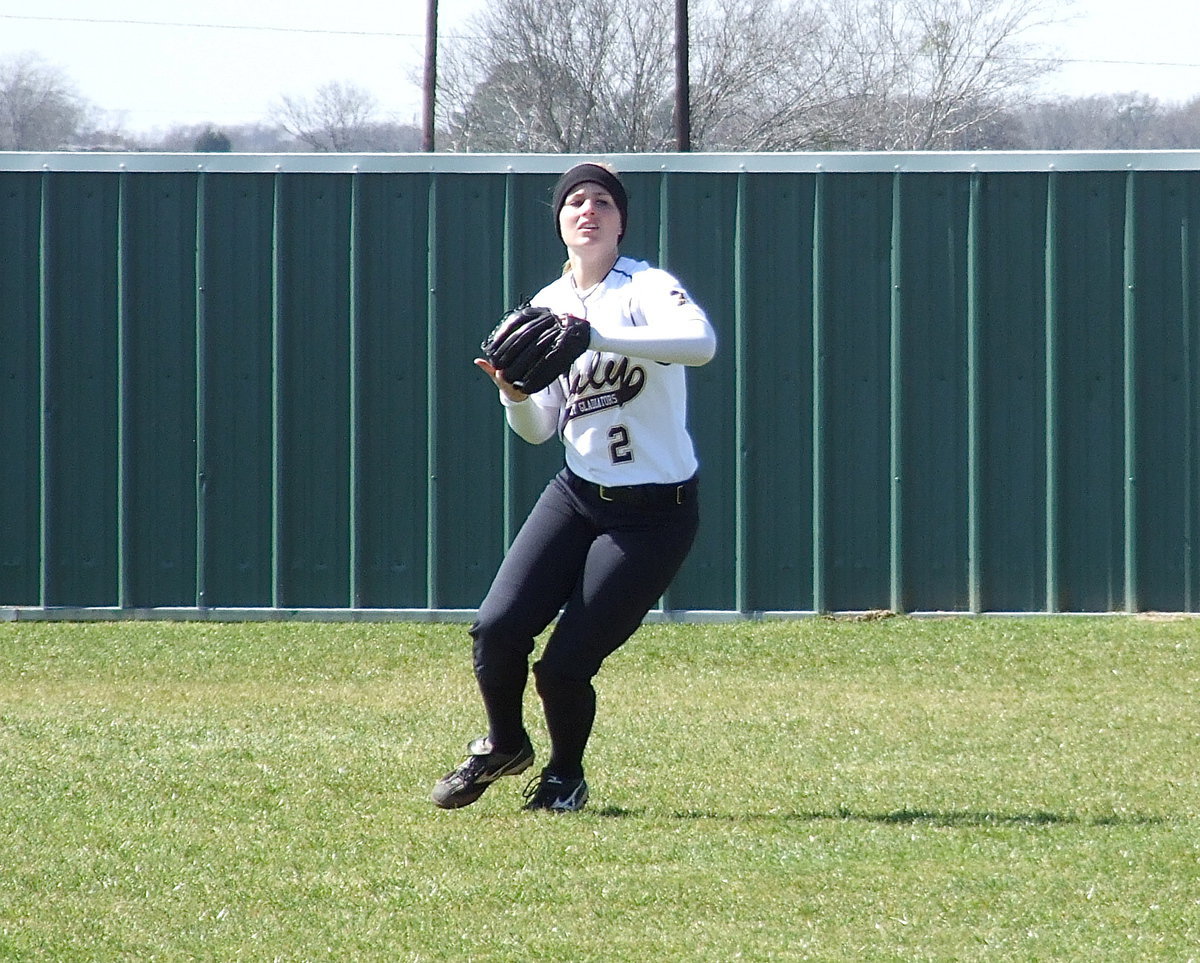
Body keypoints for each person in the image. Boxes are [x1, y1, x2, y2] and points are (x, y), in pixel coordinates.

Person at [431, 162, 716, 812]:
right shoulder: (546, 304)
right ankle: (505, 743)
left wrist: (599, 335)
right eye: (575, 202)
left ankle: (564, 775)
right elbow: (539, 428)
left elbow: (701, 343)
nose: (587, 210)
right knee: (497, 630)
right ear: (560, 222)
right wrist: (513, 394)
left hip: (655, 512)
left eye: (602, 201)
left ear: (621, 221)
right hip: (579, 493)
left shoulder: (646, 285)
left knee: (562, 666)